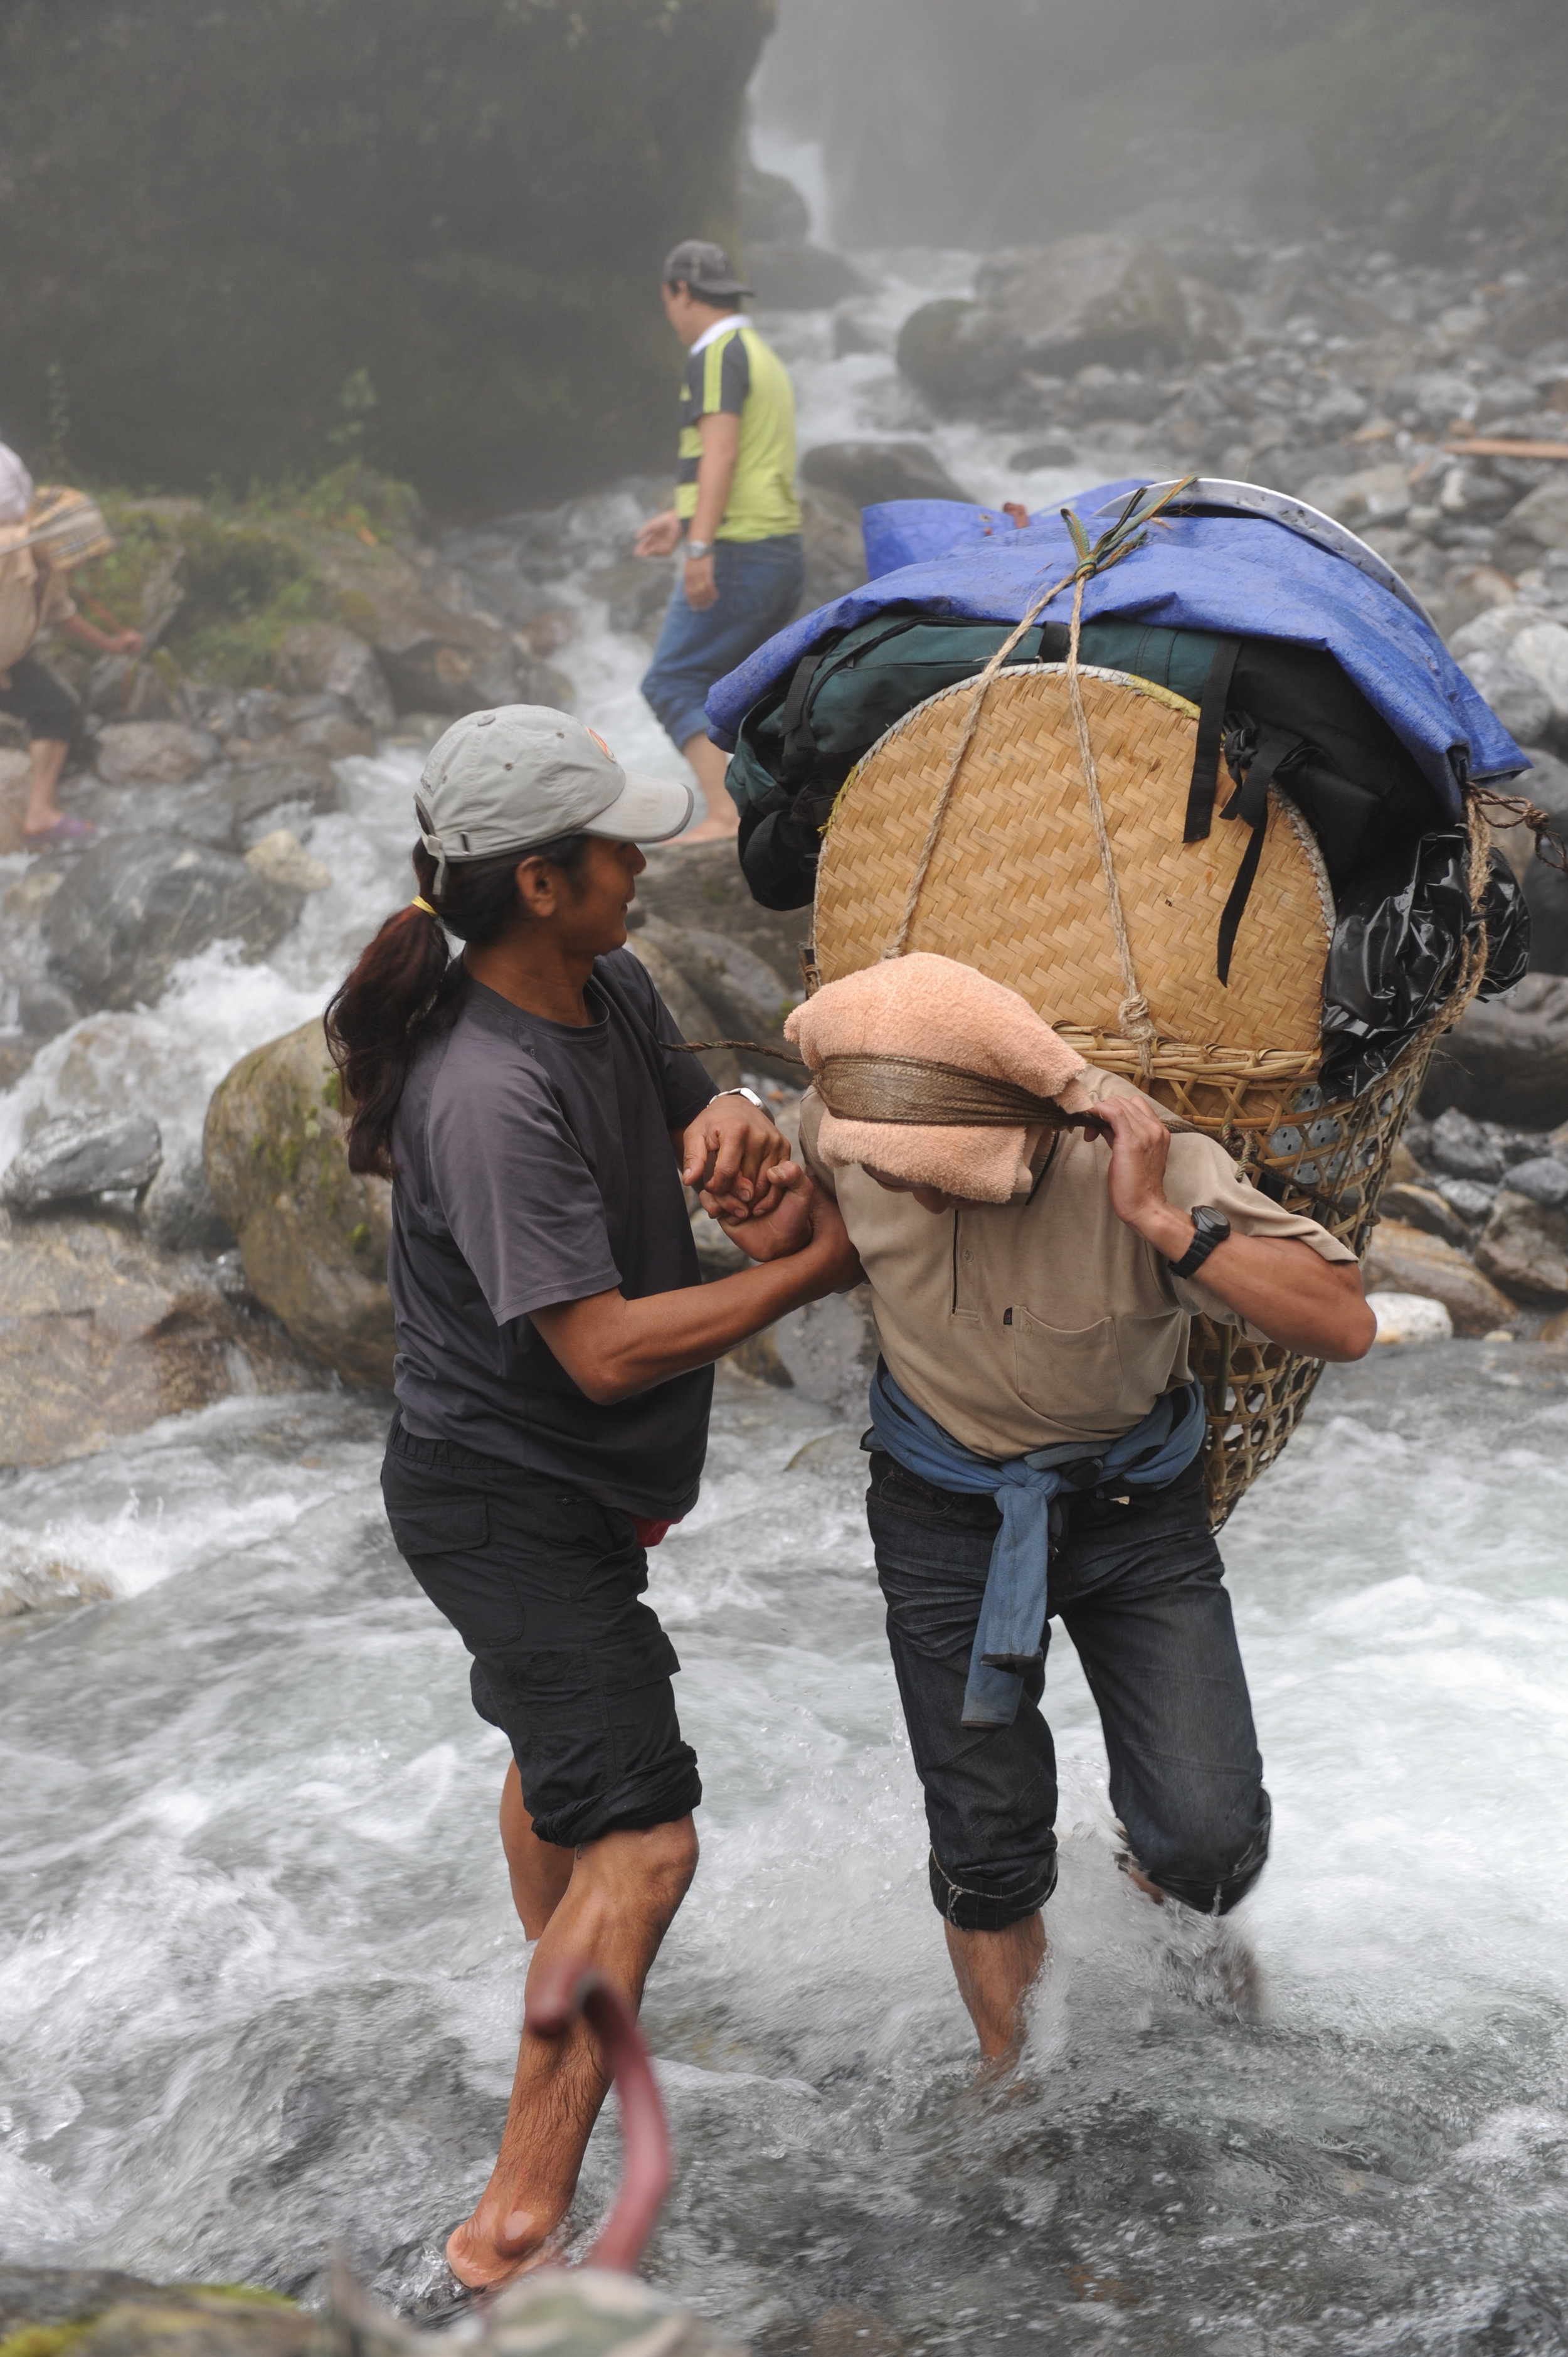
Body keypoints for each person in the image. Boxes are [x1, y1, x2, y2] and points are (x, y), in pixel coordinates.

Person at [324, 704, 857, 2288]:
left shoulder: (608, 982)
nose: (646, 861)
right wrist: (819, 1270)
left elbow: (698, 1127)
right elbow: (609, 1349)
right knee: (646, 1840)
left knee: (562, 1771)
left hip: (551, 1487)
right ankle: (506, 2239)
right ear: (542, 882)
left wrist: (740, 1142)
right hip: (503, 1494)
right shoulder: (483, 1091)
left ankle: (556, 1993)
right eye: (618, 845)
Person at [744, 954, 1375, 2067]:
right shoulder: (842, 1118)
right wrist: (767, 1212)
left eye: (943, 1167)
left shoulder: (1149, 1163)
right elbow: (817, 1229)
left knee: (1212, 1840)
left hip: (1131, 1506)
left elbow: (1343, 1319)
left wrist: (1162, 1221)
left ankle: (1157, 1882)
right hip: (940, 1505)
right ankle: (1016, 2095)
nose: (917, 1187)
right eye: (891, 1166)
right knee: (987, 1852)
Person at [636, 241, 803, 844]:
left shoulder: (713, 355)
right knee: (751, 693)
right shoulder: (758, 353)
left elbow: (723, 451)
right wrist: (680, 519)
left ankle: (725, 813)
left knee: (671, 680)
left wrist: (700, 546)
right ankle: (771, 811)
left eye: (668, 300)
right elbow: (751, 457)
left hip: (740, 549)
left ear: (681, 292)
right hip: (780, 548)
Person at [0, 452, 144, 846]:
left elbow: (62, 616)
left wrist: (113, 647)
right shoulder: (7, 549)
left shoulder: (51, 568)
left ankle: (40, 816)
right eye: (71, 549)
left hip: (7, 663)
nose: (77, 560)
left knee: (56, 708)